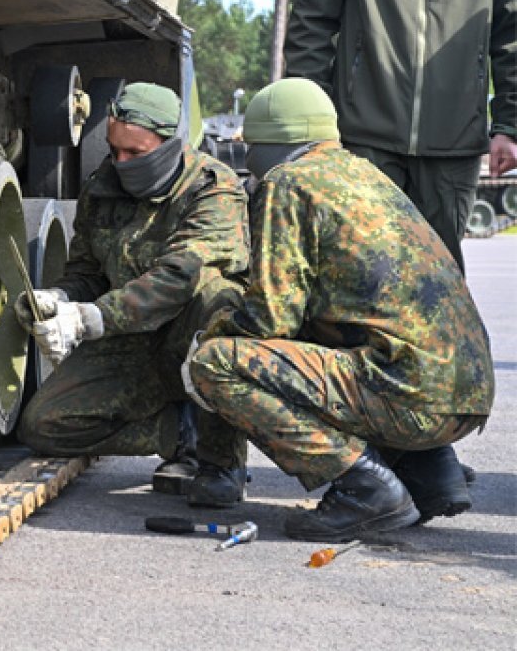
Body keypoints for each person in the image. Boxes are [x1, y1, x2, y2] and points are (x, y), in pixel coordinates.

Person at [187, 79, 494, 541]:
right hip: (462, 393)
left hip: (411, 396)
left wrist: (209, 333)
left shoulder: (288, 183)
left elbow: (270, 318)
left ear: (268, 143)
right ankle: (430, 471)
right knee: (329, 327)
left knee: (217, 364)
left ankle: (364, 488)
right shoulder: (364, 174)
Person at [15, 82, 250, 507]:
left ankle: (220, 461)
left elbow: (179, 278)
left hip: (189, 335)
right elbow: (87, 270)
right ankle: (177, 431)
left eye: (135, 154)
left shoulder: (214, 189)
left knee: (218, 301)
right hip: (130, 340)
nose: (121, 163)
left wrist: (89, 319)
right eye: (114, 150)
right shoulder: (103, 187)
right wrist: (59, 300)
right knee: (43, 426)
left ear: (169, 144)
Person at [285, 0, 517, 273]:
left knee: (438, 284)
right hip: (361, 138)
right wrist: (309, 120)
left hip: (454, 140)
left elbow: (512, 29)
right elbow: (311, 18)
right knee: (360, 278)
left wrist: (509, 125)